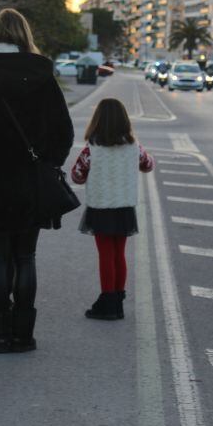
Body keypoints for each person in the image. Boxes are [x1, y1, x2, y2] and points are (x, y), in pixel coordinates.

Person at [0, 9, 74, 353]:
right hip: (31, 181)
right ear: (25, 38)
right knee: (26, 257)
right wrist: (48, 165)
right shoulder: (44, 79)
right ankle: (24, 334)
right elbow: (63, 131)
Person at [70, 99, 155, 320]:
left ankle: (107, 301)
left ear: (97, 121)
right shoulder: (134, 147)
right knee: (119, 254)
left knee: (105, 254)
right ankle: (117, 300)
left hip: (101, 207)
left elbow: (76, 176)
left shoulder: (92, 149)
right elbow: (148, 165)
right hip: (125, 206)